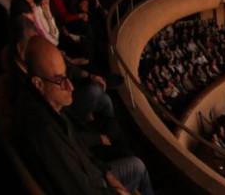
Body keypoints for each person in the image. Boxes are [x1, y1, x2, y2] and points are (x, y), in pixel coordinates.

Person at [13, 36, 154, 195]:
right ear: (38, 83)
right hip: (97, 187)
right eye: (60, 80)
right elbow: (80, 189)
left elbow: (80, 149)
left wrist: (106, 173)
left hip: (98, 176)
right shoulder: (44, 130)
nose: (70, 86)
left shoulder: (51, 106)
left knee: (136, 164)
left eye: (66, 76)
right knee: (138, 167)